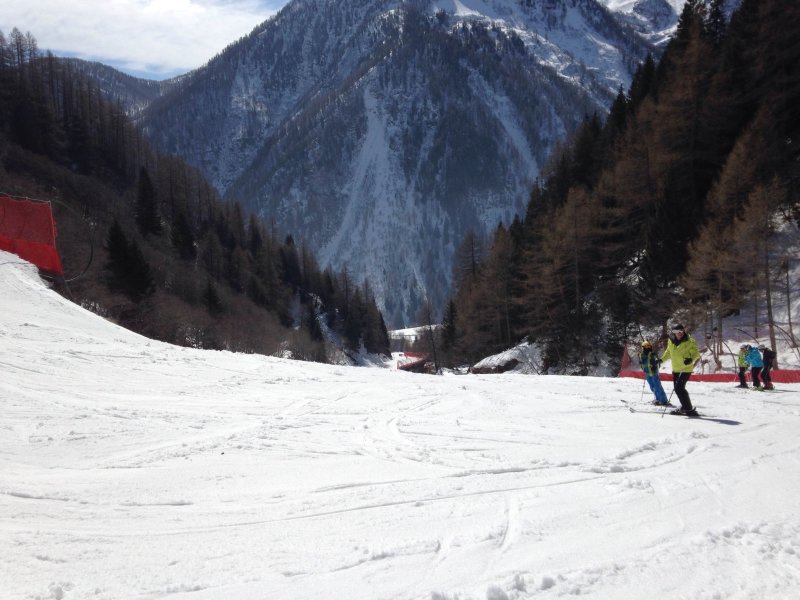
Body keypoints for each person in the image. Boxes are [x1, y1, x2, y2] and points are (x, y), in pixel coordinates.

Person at [660, 324, 701, 416]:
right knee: (677, 389)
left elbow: (696, 353)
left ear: (683, 331)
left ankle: (688, 408)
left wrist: (691, 359)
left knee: (679, 388)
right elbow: (668, 352)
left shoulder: (690, 341)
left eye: (681, 331)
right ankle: (685, 406)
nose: (679, 333)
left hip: (685, 368)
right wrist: (661, 360)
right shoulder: (671, 341)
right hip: (676, 369)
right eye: (676, 331)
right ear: (673, 332)